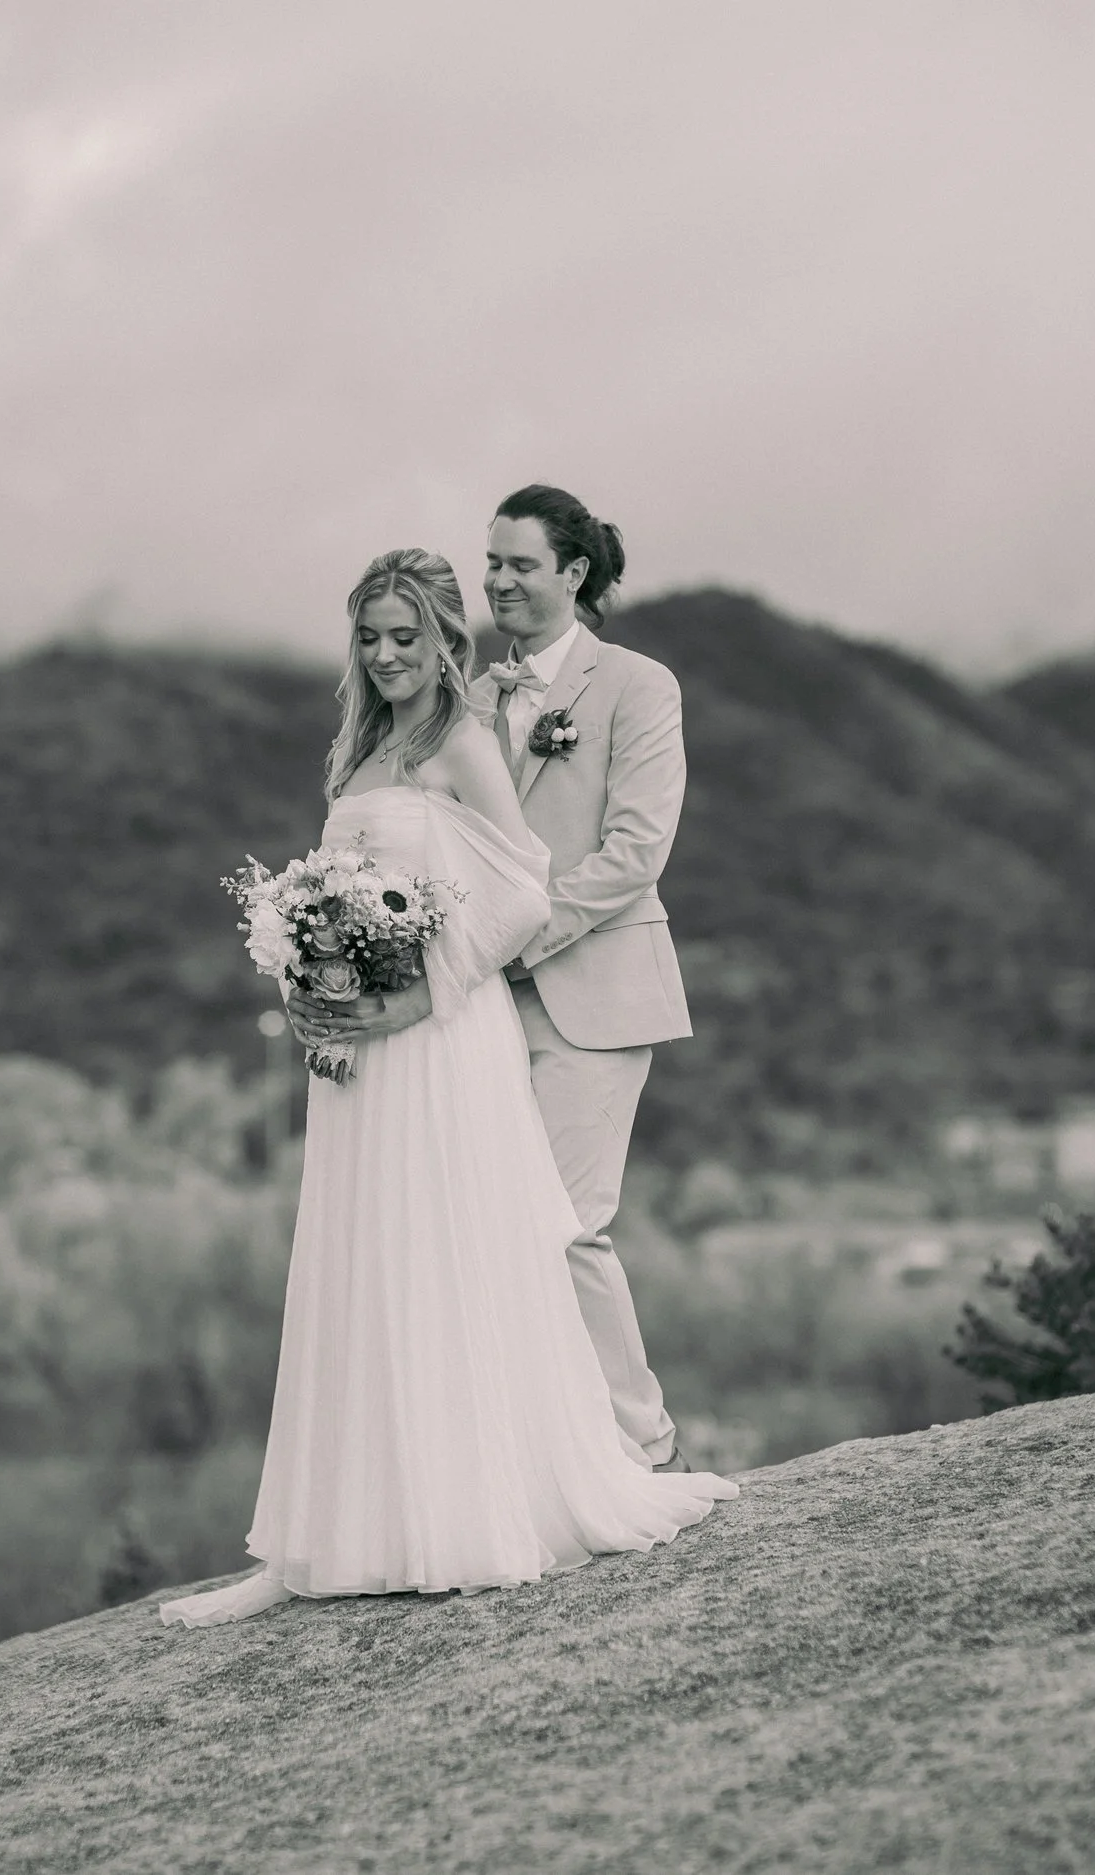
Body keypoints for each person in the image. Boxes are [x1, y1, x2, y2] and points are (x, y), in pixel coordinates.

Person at [157, 549, 731, 1628]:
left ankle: (460, 1513)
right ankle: (322, 1538)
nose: (386, 655)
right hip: (357, 1056)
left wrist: (419, 994)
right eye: (370, 637)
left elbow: (523, 892)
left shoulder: (462, 743)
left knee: (438, 1253)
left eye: (405, 636)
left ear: (443, 641)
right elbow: (339, 900)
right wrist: (307, 974)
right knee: (357, 1258)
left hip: (437, 1041)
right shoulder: (357, 752)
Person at [296, 487, 695, 1470]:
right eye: (491, 565)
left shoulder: (637, 687)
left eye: (520, 564)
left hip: (592, 992)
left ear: (573, 573)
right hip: (475, 1013)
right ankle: (525, 1456)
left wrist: (498, 941)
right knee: (480, 1226)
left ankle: (639, 1443)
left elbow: (635, 853)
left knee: (564, 1227)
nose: (500, 582)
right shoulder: (461, 701)